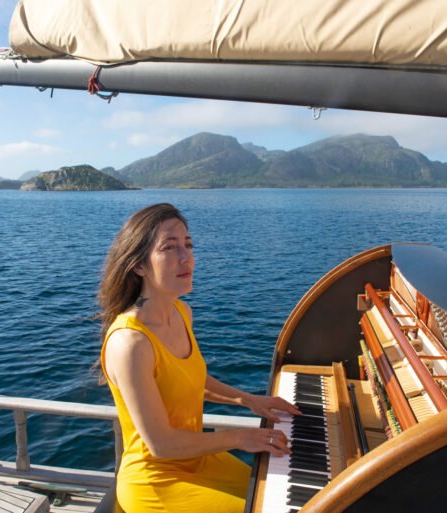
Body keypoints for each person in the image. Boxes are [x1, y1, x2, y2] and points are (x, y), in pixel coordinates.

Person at [99, 203, 300, 513]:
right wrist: (239, 437)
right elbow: (161, 444)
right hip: (157, 480)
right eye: (170, 247)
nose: (186, 257)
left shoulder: (182, 313)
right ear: (139, 265)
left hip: (198, 459)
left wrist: (249, 400)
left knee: (289, 494)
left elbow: (190, 381)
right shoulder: (130, 342)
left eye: (188, 245)